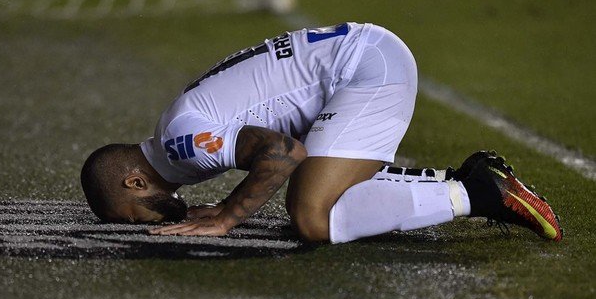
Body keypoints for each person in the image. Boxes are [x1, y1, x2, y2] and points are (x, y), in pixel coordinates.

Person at [80, 22, 562, 243]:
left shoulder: (179, 147)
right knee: (327, 192)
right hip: (361, 59)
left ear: (134, 182)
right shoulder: (173, 134)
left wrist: (228, 215)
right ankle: (466, 180)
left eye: (133, 216)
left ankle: (477, 192)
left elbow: (283, 151)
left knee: (313, 218)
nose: (144, 225)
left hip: (368, 70)